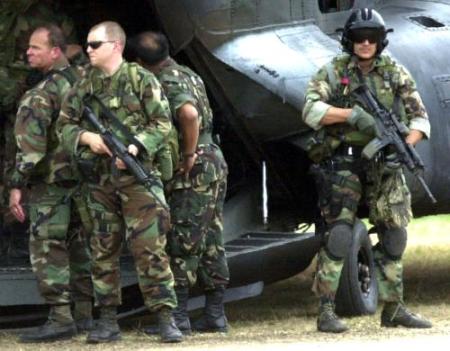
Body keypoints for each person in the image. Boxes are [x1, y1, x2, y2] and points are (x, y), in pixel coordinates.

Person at [302, 8, 432, 333]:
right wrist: (349, 115)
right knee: (340, 234)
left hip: (384, 160)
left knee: (395, 233)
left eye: (371, 37)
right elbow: (311, 110)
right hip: (343, 161)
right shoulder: (334, 70)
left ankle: (394, 308)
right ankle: (326, 310)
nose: (364, 43)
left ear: (380, 40)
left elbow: (420, 119)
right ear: (349, 40)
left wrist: (404, 148)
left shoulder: (394, 72)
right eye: (359, 37)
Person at [57, 21, 183, 344]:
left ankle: (165, 316)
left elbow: (163, 124)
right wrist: (88, 138)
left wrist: (136, 146)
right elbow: (64, 127)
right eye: (87, 45)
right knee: (102, 250)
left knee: (150, 249)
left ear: (115, 46)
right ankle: (108, 320)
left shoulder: (141, 80)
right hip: (99, 181)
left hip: (137, 179)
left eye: (94, 45)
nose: (87, 50)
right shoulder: (83, 85)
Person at [128, 31, 230, 334]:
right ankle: (215, 313)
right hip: (214, 159)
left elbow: (188, 114)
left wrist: (187, 155)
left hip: (195, 165)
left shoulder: (165, 81)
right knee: (211, 238)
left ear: (139, 62)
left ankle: (179, 317)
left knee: (182, 239)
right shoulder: (188, 73)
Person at [8, 24, 94, 343]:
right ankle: (85, 316)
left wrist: (16, 185)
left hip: (52, 183)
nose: (28, 52)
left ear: (55, 51)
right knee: (80, 246)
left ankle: (60, 318)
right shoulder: (84, 81)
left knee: (48, 247)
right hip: (84, 180)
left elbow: (30, 149)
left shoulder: (40, 94)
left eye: (35, 48)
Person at [0, 0, 81, 262]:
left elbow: (71, 52)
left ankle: (19, 234)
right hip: (17, 99)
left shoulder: (48, 17)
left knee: (25, 161)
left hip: (31, 100)